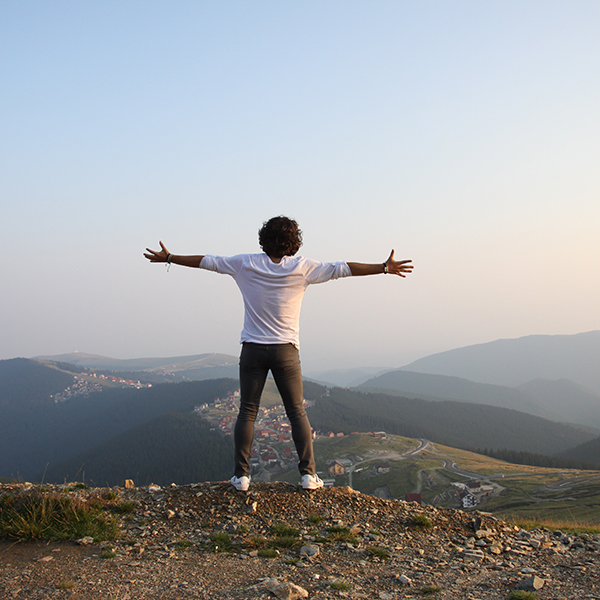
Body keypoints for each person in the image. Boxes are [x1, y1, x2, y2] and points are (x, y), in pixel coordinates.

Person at [144, 216, 413, 491]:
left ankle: (241, 476)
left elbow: (207, 261)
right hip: (286, 351)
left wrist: (170, 258)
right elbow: (344, 268)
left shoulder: (245, 263)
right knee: (296, 412)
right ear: (294, 241)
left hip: (252, 350)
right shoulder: (303, 267)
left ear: (264, 238)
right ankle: (308, 476)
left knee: (247, 411)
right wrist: (383, 268)